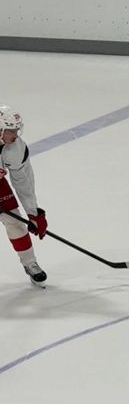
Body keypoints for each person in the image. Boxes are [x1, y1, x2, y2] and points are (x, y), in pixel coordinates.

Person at [0, 105, 49, 287]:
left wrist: (32, 212)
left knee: (15, 223)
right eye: (10, 130)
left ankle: (30, 263)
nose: (15, 135)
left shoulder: (16, 149)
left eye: (16, 130)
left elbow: (23, 182)